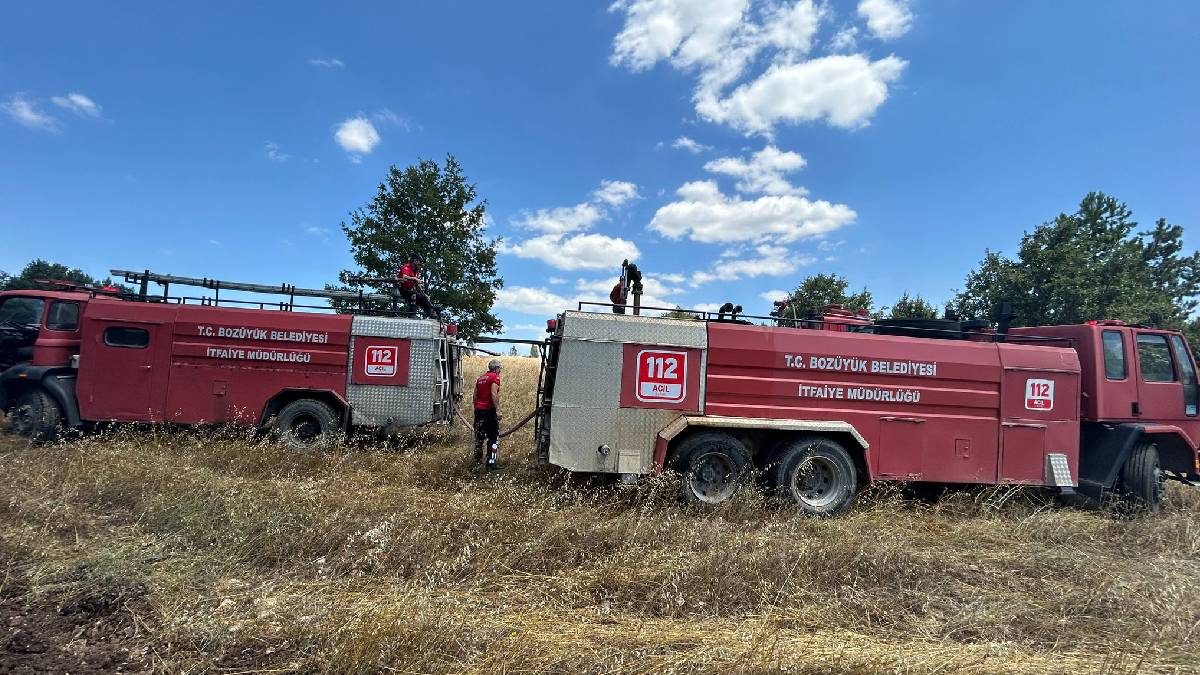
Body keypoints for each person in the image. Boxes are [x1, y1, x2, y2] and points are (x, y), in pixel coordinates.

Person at [473, 359, 503, 469]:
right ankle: (491, 462)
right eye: (500, 369)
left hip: (479, 411)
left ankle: (477, 462)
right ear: (496, 369)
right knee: (493, 437)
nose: (500, 371)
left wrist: (477, 408)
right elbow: (493, 394)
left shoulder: (480, 378)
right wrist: (497, 410)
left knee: (478, 437)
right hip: (489, 411)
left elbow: (475, 396)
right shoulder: (495, 377)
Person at [394, 253, 441, 319]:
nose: (420, 264)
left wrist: (424, 294)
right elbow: (405, 276)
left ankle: (431, 314)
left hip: (410, 291)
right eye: (420, 262)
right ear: (415, 261)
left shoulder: (416, 271)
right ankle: (412, 315)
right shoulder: (406, 267)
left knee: (424, 299)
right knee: (414, 295)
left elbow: (417, 285)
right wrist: (414, 278)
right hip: (403, 290)